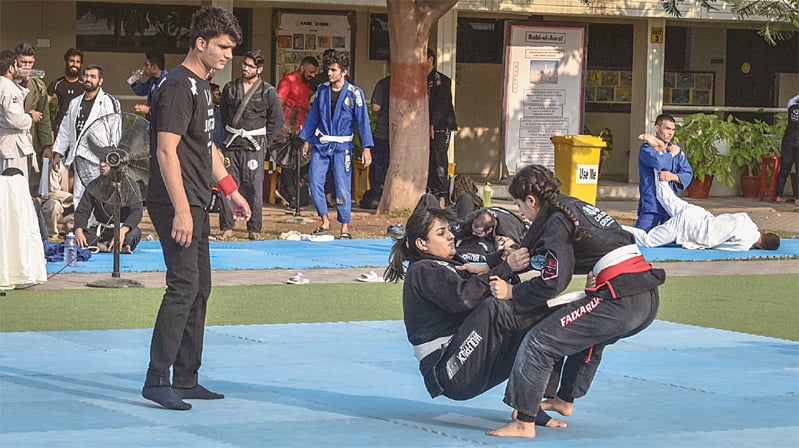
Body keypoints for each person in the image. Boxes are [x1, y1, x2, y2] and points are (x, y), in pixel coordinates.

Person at [484, 164, 665, 439]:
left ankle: (524, 421)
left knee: (539, 342)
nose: (520, 212)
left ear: (531, 200)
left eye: (520, 205)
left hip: (621, 299)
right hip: (645, 298)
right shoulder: (569, 207)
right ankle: (564, 399)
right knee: (589, 336)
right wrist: (492, 266)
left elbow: (554, 281)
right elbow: (536, 252)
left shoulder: (557, 221)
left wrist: (513, 293)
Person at [143, 5, 250, 411]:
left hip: (197, 199)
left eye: (230, 49)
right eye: (222, 47)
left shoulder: (205, 86)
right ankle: (157, 378)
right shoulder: (175, 86)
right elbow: (166, 151)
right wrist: (183, 210)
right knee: (184, 285)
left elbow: (206, 149)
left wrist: (230, 190)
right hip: (175, 201)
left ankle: (186, 377)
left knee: (201, 287)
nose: (227, 56)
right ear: (200, 43)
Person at [383, 197, 566, 430]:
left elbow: (480, 268)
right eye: (441, 233)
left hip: (471, 361)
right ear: (421, 244)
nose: (450, 236)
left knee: (549, 325)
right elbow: (464, 298)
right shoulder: (422, 270)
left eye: (449, 231)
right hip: (450, 371)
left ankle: (529, 405)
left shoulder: (452, 262)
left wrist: (502, 258)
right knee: (495, 307)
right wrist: (506, 266)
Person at [625, 135, 781, 251]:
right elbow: (717, 246)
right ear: (761, 247)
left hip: (698, 214)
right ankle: (615, 227)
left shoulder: (748, 220)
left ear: (765, 232)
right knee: (648, 241)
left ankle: (659, 156)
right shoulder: (744, 245)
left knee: (664, 195)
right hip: (690, 227)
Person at [299, 50, 373, 239]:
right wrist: (306, 140)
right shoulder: (322, 90)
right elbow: (313, 116)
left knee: (342, 186)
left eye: (333, 70)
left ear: (344, 72)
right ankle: (324, 220)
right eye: (328, 70)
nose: (330, 73)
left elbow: (363, 122)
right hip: (321, 143)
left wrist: (366, 148)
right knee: (315, 181)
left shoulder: (355, 93)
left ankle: (345, 227)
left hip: (342, 147)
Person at [218, 49, 283, 240]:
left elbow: (276, 120)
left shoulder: (267, 92)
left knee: (254, 186)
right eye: (244, 64)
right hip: (232, 142)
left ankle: (254, 228)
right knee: (227, 185)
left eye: (250, 66)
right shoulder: (230, 88)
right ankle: (227, 226)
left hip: (254, 145)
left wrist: (266, 143)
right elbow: (223, 115)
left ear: (259, 69)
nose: (246, 68)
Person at [51, 64, 121, 208]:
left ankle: (99, 229)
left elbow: (115, 132)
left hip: (100, 158)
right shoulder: (75, 102)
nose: (88, 79)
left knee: (101, 198)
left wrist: (111, 158)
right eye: (86, 76)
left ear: (100, 81)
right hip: (80, 156)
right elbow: (66, 129)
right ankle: (81, 229)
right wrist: (58, 152)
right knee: (79, 196)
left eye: (93, 77)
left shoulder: (109, 102)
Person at [636, 113, 693, 231]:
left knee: (673, 243)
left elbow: (688, 173)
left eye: (673, 130)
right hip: (651, 204)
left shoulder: (677, 150)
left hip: (671, 205)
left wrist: (673, 177)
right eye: (667, 128)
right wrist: (670, 153)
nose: (670, 133)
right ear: (657, 128)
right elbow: (659, 163)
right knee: (639, 237)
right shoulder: (646, 149)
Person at [73, 162, 143, 253]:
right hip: (102, 231)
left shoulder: (130, 185)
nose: (102, 165)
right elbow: (82, 211)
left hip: (123, 229)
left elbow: (137, 211)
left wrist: (123, 230)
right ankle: (106, 247)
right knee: (72, 234)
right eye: (101, 161)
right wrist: (79, 229)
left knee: (135, 233)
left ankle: (121, 245)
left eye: (106, 162)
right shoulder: (94, 185)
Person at [276, 56, 318, 209]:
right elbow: (278, 102)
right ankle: (288, 192)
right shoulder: (288, 81)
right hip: (286, 129)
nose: (312, 75)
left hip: (302, 129)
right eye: (310, 72)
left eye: (314, 73)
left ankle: (294, 190)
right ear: (302, 68)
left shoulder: (307, 85)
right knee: (289, 163)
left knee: (302, 161)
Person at [15, 43, 53, 196]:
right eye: (23, 62)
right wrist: (28, 115)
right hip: (10, 141)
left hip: (31, 141)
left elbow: (44, 118)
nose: (27, 66)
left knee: (31, 186)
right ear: (15, 61)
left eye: (30, 62)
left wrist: (46, 146)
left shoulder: (38, 86)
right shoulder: (6, 83)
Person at [1, 50, 41, 179]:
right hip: (11, 144)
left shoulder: (7, 85)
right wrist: (30, 116)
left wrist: (23, 81)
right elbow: (15, 119)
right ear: (11, 68)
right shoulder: (7, 87)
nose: (20, 69)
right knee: (14, 183)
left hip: (8, 141)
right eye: (17, 66)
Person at [426, 48, 458, 208]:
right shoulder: (420, 80)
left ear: (430, 60)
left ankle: (442, 196)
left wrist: (432, 123)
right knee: (428, 161)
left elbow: (441, 105)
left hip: (440, 127)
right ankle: (430, 193)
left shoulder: (441, 80)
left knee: (439, 161)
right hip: (423, 126)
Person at [361, 56, 391, 209]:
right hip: (399, 137)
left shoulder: (383, 84)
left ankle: (377, 195)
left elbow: (375, 108)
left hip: (382, 132)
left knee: (378, 167)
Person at [450, 206, 527, 262]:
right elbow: (455, 227)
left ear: (489, 230)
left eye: (478, 233)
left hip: (513, 221)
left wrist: (509, 245)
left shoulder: (507, 230)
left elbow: (518, 249)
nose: (473, 233)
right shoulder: (473, 217)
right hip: (494, 209)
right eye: (473, 229)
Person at [48, 48, 85, 135]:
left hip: (79, 126)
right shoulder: (57, 84)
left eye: (77, 62)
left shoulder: (84, 85)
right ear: (66, 62)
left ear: (81, 64)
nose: (74, 64)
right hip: (60, 126)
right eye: (72, 61)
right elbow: (44, 106)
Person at [128, 52, 168, 121]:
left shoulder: (167, 82)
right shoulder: (153, 79)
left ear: (154, 67)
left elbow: (165, 107)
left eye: (146, 65)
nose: (144, 68)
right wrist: (134, 80)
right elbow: (142, 91)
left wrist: (148, 109)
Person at [775, 94, 799, 204]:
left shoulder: (791, 106)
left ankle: (778, 196)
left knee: (784, 170)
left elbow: (792, 99)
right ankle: (798, 199)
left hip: (788, 141)